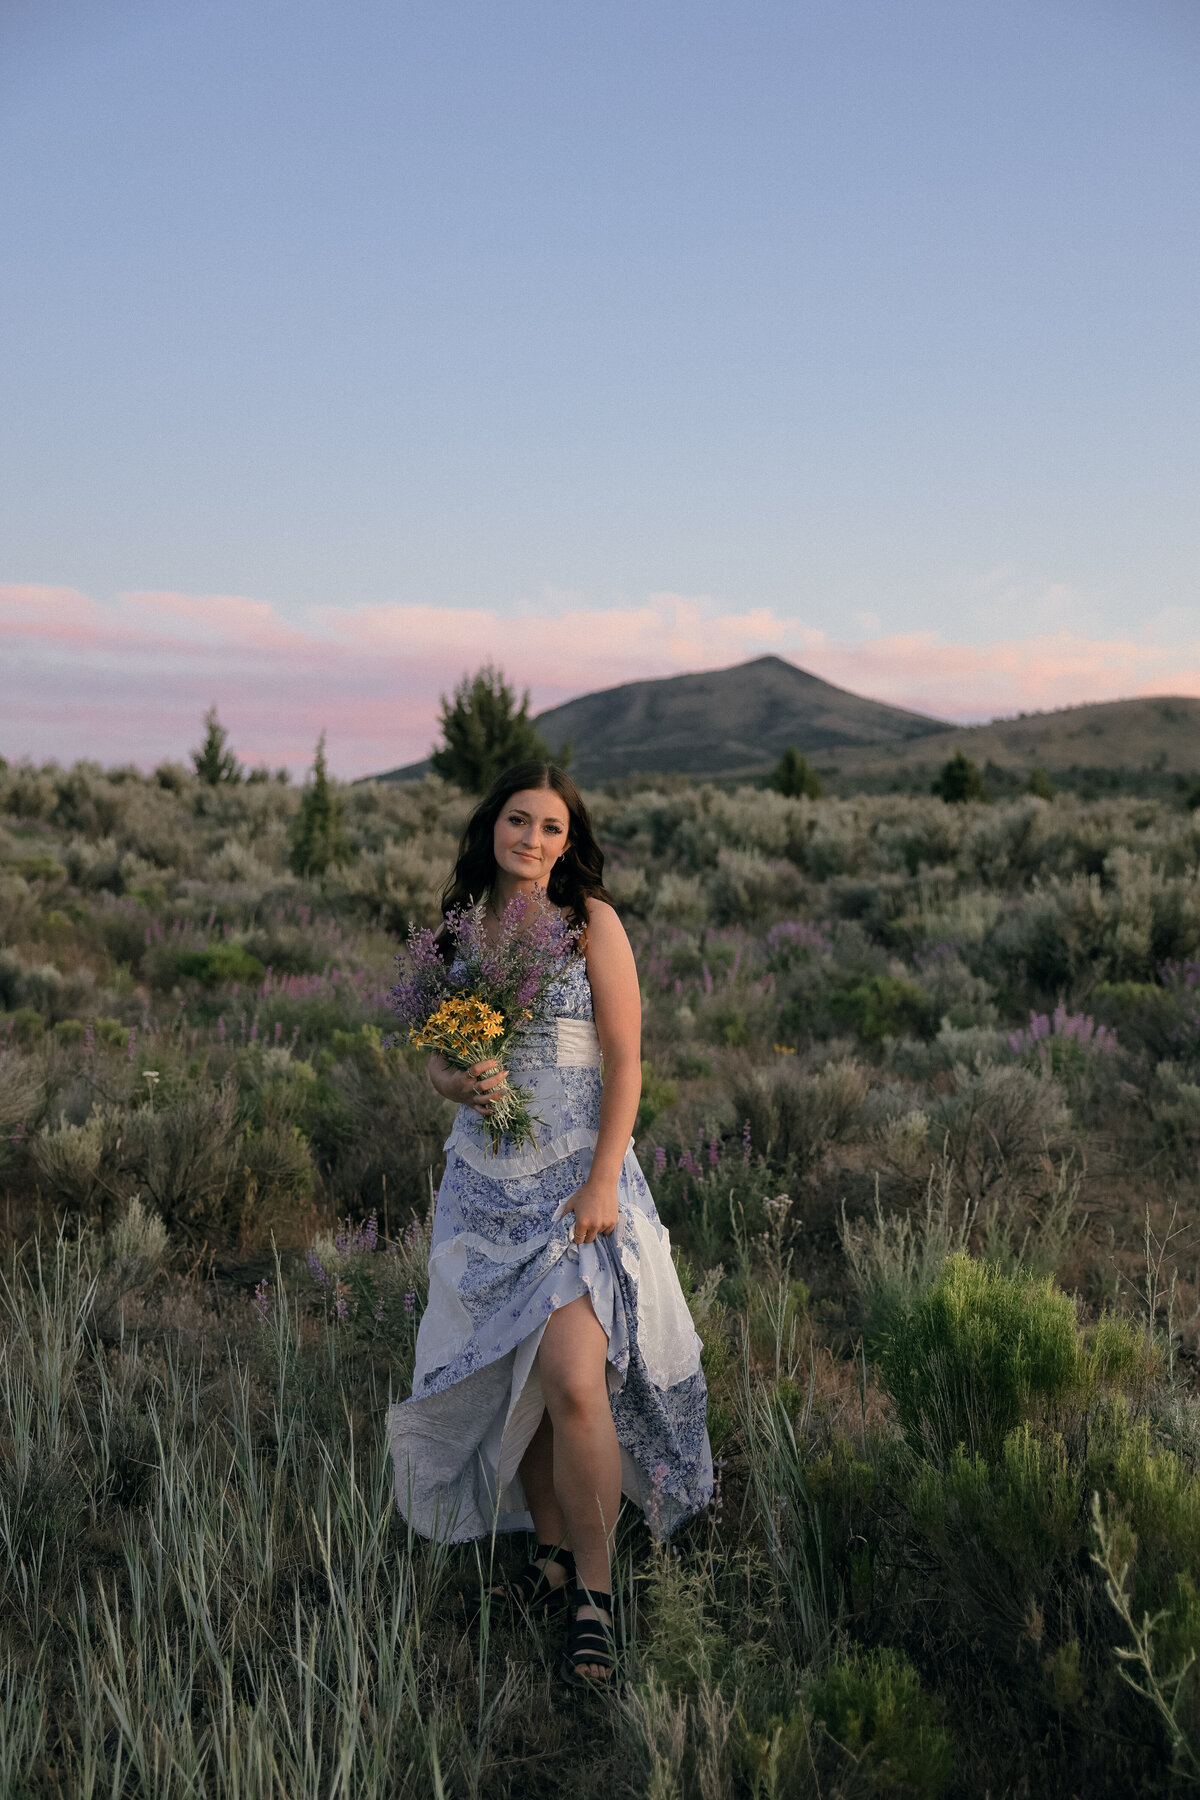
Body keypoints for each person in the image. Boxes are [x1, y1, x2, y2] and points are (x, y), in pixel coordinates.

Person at [387, 761, 712, 1687]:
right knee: (509, 1374)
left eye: (553, 829)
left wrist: (605, 1177)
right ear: (493, 825)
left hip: (576, 1184)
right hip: (486, 1185)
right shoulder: (465, 935)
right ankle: (549, 1558)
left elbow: (627, 1061)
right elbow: (443, 1061)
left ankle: (595, 1603)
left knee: (574, 1382)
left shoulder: (589, 925)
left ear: (571, 843)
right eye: (520, 822)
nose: (534, 841)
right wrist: (456, 1081)